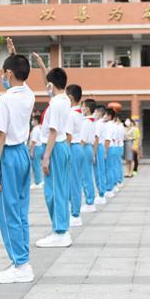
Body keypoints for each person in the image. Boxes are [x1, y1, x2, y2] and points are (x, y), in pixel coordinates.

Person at [0, 42, 36, 284]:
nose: (2, 77)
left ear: (8, 74)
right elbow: (21, 72)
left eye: (3, 73)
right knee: (20, 210)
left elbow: (0, 135)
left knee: (8, 213)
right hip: (23, 155)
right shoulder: (29, 95)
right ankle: (22, 260)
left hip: (8, 155)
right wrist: (14, 54)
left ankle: (20, 264)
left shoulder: (5, 99)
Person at [32, 53, 72, 248]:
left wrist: (45, 157)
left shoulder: (56, 104)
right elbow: (47, 80)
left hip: (54, 148)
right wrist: (41, 64)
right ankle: (60, 228)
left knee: (54, 192)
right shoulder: (63, 99)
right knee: (57, 190)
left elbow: (53, 132)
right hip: (60, 147)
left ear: (52, 84)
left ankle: (60, 231)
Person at [66, 84, 85, 227]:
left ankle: (75, 214)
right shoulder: (79, 113)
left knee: (72, 182)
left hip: (72, 147)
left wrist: (64, 153)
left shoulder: (71, 114)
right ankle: (75, 211)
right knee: (76, 181)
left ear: (70, 97)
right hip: (78, 147)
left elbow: (68, 135)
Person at [80, 98, 98, 213]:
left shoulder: (86, 122)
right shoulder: (91, 121)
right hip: (89, 148)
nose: (81, 108)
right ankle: (90, 200)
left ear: (86, 109)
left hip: (85, 148)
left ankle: (90, 202)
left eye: (83, 106)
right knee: (87, 176)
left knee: (85, 176)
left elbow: (82, 140)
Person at [93, 105, 109, 204]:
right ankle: (100, 192)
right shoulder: (101, 123)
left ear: (99, 112)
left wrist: (93, 153)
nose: (94, 113)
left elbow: (96, 138)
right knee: (99, 171)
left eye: (95, 112)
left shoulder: (98, 123)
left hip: (98, 147)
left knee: (99, 172)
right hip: (100, 147)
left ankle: (101, 194)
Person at [28, 117, 44, 189]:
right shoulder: (40, 128)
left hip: (36, 148)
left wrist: (31, 151)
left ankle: (38, 182)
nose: (32, 121)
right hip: (40, 147)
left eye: (33, 120)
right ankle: (38, 180)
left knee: (36, 165)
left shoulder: (35, 129)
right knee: (37, 165)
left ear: (36, 121)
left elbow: (33, 141)